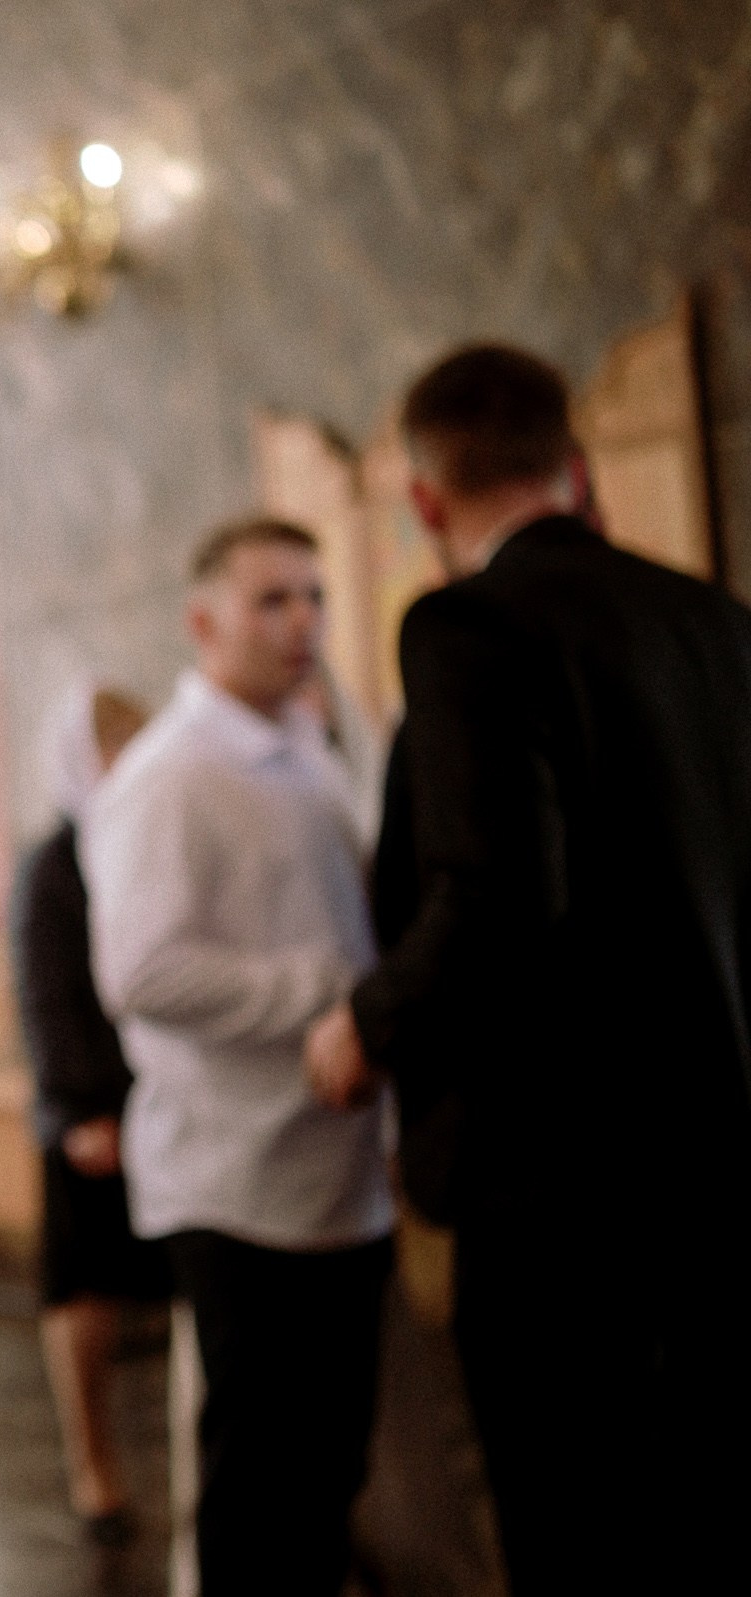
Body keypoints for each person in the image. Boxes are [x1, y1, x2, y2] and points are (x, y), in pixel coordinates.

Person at [304, 343, 751, 1593]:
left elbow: (495, 893)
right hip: (723, 1158)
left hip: (559, 1189)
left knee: (576, 1523)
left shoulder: (467, 626)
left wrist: (368, 1023)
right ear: (579, 469)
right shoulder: (716, 621)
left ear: (426, 502)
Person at [81, 517, 393, 1597]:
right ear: (203, 619)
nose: (305, 620)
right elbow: (144, 974)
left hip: (343, 1166)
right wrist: (333, 990)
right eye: (274, 599)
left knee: (329, 1471)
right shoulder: (171, 773)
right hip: (236, 1177)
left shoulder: (313, 743)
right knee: (258, 1488)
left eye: (315, 595)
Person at [12, 683, 167, 1544]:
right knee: (88, 1289)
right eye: (114, 745)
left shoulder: (150, 840)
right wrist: (79, 1109)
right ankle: (93, 1462)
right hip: (92, 1108)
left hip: (164, 1100)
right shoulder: (53, 862)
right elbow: (45, 995)